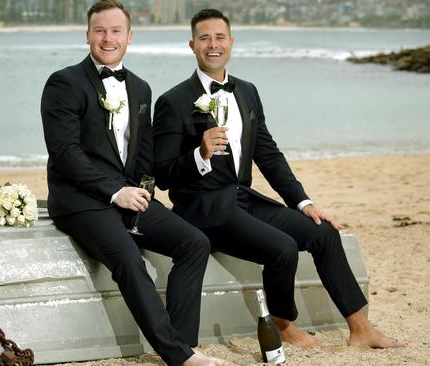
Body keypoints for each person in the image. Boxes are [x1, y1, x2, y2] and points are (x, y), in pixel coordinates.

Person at [152, 8, 405, 349]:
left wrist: (303, 202)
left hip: (243, 198)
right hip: (204, 208)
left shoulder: (248, 92)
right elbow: (163, 173)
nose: (213, 44)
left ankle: (361, 329)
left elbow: (268, 155)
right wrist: (200, 154)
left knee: (323, 233)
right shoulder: (173, 101)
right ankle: (284, 326)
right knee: (282, 249)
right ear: (192, 45)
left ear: (232, 43)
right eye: (204, 38)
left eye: (220, 37)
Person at [40, 1, 228, 365]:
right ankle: (178, 355)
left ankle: (185, 343)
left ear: (129, 36)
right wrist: (115, 192)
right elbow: (65, 153)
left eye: (115, 31)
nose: (107, 39)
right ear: (88, 36)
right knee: (128, 258)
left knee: (194, 243)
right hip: (81, 201)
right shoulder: (64, 82)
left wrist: (143, 192)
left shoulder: (140, 88)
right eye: (100, 31)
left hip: (128, 195)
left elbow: (143, 154)